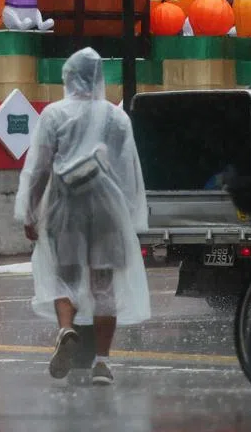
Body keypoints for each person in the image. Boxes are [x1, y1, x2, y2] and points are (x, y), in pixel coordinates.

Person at [15, 48, 150, 386]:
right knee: (103, 286)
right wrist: (130, 215)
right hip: (106, 206)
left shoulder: (55, 114)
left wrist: (31, 211)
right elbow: (127, 170)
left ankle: (66, 330)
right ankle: (102, 362)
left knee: (66, 278)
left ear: (70, 77)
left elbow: (40, 168)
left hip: (66, 203)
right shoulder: (117, 118)